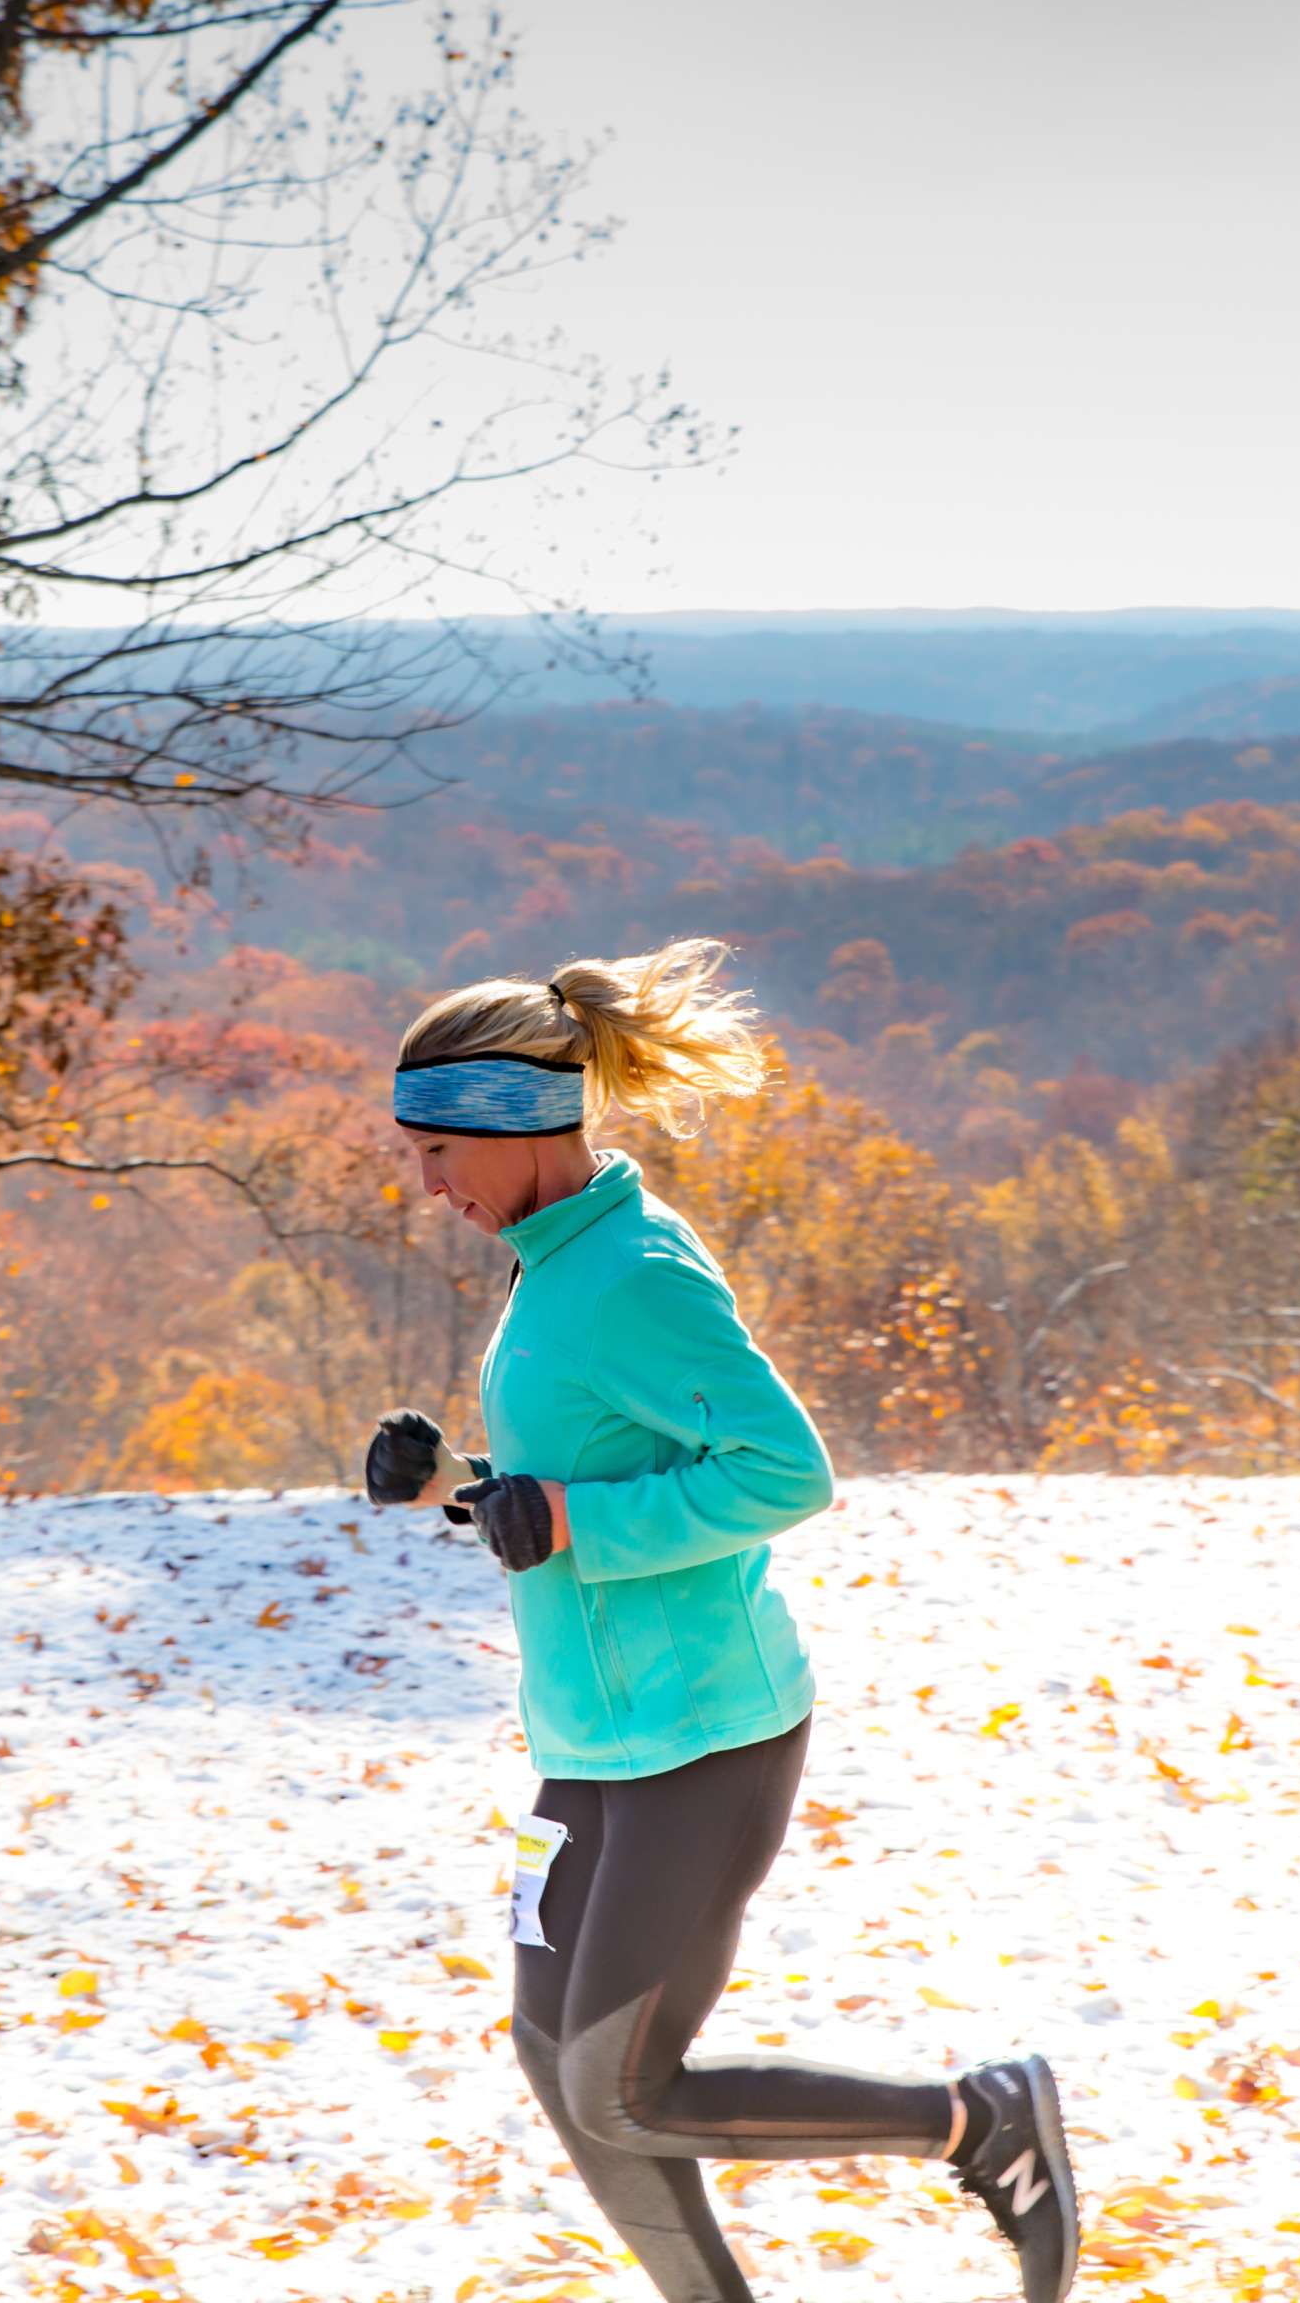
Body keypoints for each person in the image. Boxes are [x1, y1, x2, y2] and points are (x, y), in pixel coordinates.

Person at [362, 938, 1078, 2303]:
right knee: (555, 2057)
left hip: (701, 1737)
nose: (427, 1187)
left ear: (514, 1128)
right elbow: (583, 1473)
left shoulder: (629, 1270)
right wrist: (460, 1489)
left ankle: (980, 2125)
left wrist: (570, 1518)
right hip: (591, 1739)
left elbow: (781, 1471)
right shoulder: (554, 1257)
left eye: (436, 1153)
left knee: (623, 2087)